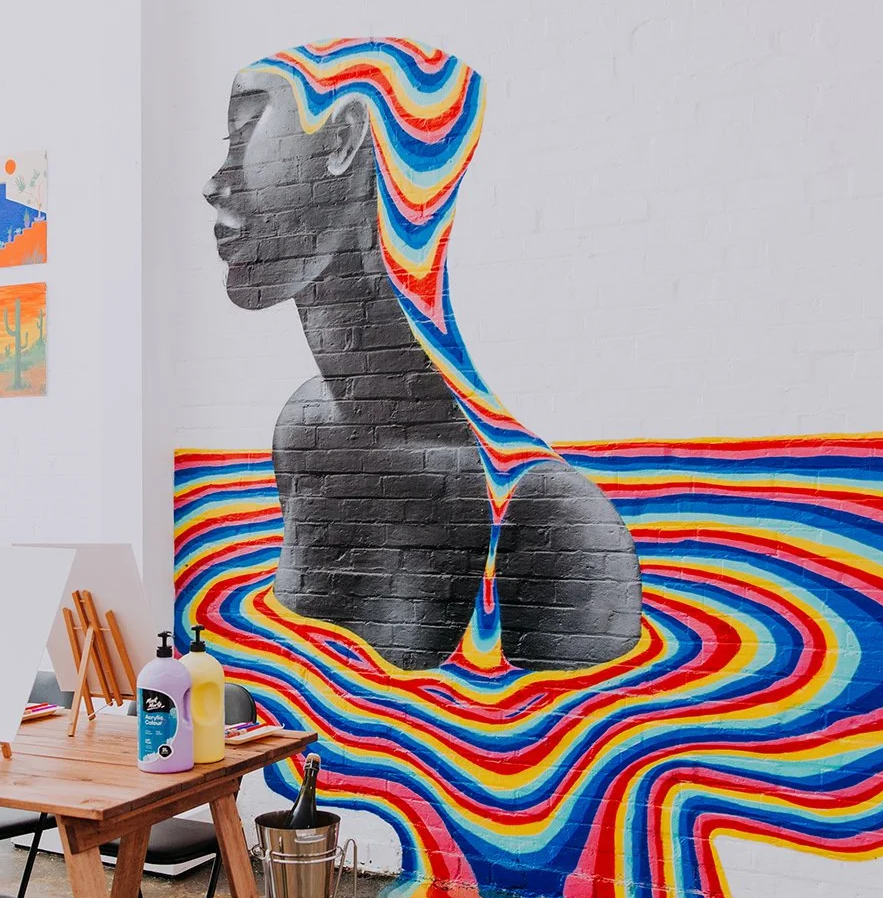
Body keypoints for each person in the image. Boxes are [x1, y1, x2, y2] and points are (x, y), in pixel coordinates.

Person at [203, 39, 642, 672]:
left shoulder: (550, 520)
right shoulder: (303, 433)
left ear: (343, 139)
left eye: (244, 134)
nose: (214, 184)